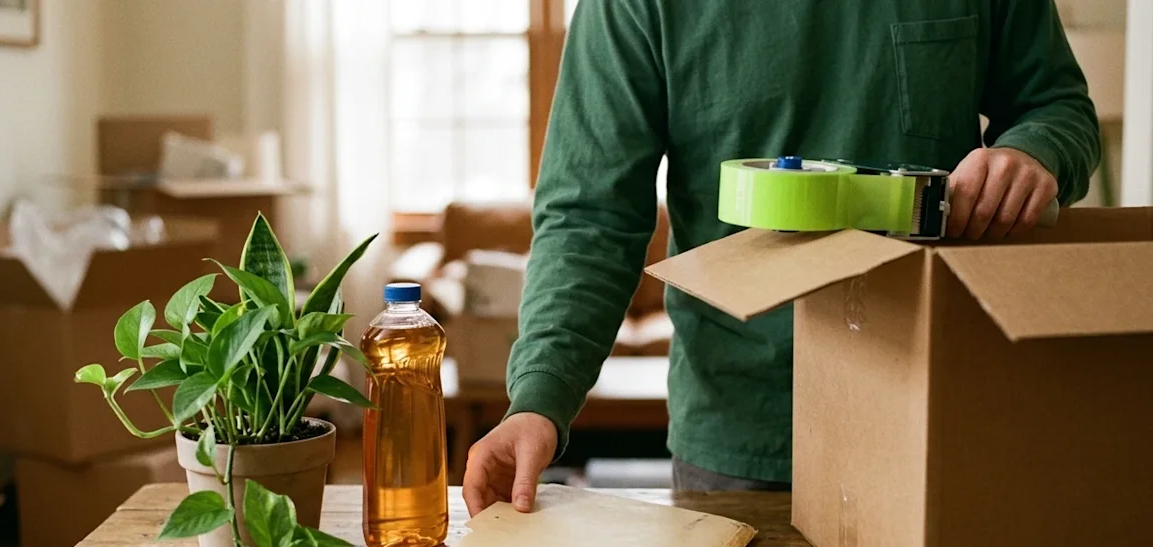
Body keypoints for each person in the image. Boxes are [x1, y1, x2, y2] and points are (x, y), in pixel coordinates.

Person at [462, 0, 1100, 516]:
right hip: (741, 439)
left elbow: (1058, 106)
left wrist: (1035, 151)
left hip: (942, 414)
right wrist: (539, 400)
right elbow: (590, 217)